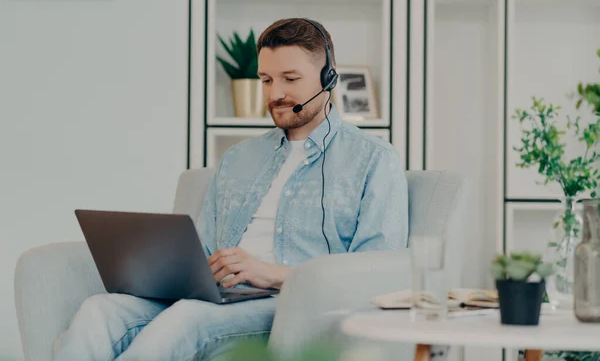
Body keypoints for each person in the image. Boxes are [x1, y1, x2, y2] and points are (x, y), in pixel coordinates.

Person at [53, 18, 409, 361]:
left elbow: (376, 274)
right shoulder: (238, 158)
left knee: (186, 320)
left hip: (286, 307)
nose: (276, 93)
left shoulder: (373, 159)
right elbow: (205, 247)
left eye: (290, 78)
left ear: (328, 77)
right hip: (219, 297)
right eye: (266, 80)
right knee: (98, 311)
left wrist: (270, 273)